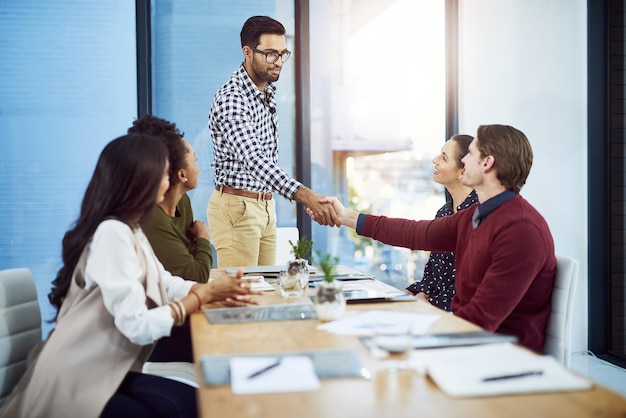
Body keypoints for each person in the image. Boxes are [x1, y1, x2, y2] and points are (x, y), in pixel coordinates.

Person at [0, 134, 260, 418]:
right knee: (186, 406)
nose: (168, 180)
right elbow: (136, 326)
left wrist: (214, 290)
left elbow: (165, 282)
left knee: (192, 401)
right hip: (75, 377)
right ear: (142, 180)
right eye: (163, 173)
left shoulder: (130, 229)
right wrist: (200, 297)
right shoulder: (112, 233)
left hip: (106, 370)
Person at [318, 125, 556, 352]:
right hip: (465, 338)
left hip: (499, 355)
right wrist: (345, 216)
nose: (463, 161)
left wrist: (415, 327)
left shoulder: (521, 230)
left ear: (487, 162)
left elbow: (479, 321)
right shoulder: (475, 217)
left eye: (470, 154)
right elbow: (414, 233)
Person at [207, 15, 339, 268]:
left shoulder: (266, 91)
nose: (278, 62)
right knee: (242, 299)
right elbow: (254, 160)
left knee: (266, 292)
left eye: (282, 54)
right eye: (270, 54)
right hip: (238, 207)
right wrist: (307, 196)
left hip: (265, 205)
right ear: (247, 52)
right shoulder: (233, 98)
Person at [128, 114, 215, 364]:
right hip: (153, 338)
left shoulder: (181, 203)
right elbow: (195, 272)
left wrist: (209, 291)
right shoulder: (143, 221)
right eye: (196, 160)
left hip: (167, 319)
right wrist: (203, 239)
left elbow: (171, 279)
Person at [406, 135, 478, 311]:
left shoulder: (478, 215)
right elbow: (432, 271)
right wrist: (421, 293)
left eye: (444, 158)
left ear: (463, 172)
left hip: (457, 314)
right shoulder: (444, 212)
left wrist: (430, 304)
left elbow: (471, 286)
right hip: (436, 305)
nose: (435, 161)